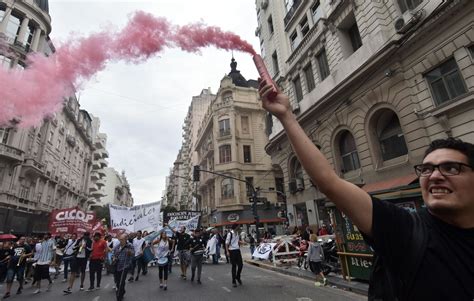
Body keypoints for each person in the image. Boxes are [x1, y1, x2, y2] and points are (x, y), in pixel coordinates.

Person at [259, 80, 474, 300]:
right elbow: (330, 182)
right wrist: (286, 115)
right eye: (427, 169)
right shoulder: (406, 229)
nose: (435, 176)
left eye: (451, 168)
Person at [112, 234, 134, 301]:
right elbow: (113, 254)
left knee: (122, 280)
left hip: (125, 266)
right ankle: (122, 291)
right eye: (120, 239)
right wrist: (113, 258)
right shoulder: (117, 246)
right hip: (117, 266)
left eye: (122, 239)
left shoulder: (129, 246)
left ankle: (119, 296)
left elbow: (133, 253)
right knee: (118, 281)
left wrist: (129, 252)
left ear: (125, 239)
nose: (120, 241)